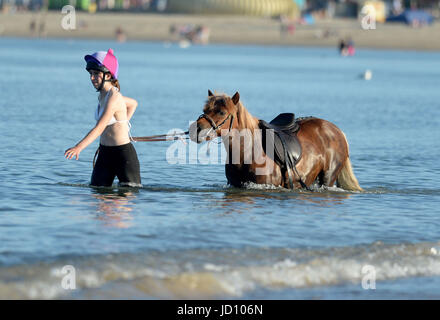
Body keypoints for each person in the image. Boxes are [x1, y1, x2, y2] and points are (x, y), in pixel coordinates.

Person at [65, 49, 142, 188]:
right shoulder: (102, 95)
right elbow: (133, 103)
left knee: (125, 201)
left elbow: (100, 128)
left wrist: (79, 147)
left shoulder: (114, 97)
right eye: (91, 74)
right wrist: (123, 123)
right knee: (96, 194)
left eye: (96, 74)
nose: (92, 78)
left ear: (108, 75)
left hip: (123, 155)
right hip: (105, 153)